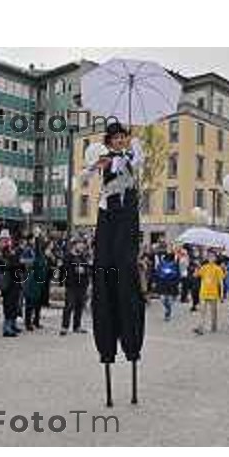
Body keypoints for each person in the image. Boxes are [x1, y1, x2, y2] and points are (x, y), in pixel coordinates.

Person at [90, 121, 145, 365]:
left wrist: (132, 155)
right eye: (116, 138)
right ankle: (107, 344)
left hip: (128, 217)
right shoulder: (108, 159)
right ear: (110, 141)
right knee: (108, 268)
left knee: (126, 267)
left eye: (123, 136)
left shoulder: (132, 156)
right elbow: (93, 171)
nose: (120, 140)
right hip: (110, 217)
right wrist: (109, 163)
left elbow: (135, 165)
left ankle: (131, 341)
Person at [60, 237, 90, 335]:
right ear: (75, 245)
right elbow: (64, 269)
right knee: (69, 305)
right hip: (71, 285)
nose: (82, 246)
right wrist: (75, 270)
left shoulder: (83, 257)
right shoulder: (68, 256)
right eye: (80, 244)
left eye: (82, 244)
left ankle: (77, 326)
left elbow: (88, 269)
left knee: (79, 306)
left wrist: (85, 270)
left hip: (82, 285)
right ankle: (64, 327)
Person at [193, 249, 225, 335]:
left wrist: (222, 294)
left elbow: (221, 283)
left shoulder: (218, 269)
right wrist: (197, 267)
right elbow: (195, 275)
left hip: (213, 294)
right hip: (203, 292)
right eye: (209, 256)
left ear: (215, 258)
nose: (210, 258)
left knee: (213, 311)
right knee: (202, 311)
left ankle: (214, 326)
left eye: (212, 256)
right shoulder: (204, 267)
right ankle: (200, 327)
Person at [155, 246, 180, 322]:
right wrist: (156, 282)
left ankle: (167, 313)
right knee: (162, 299)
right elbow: (157, 273)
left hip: (171, 283)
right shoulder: (161, 263)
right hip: (162, 283)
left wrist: (177, 283)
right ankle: (168, 309)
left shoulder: (175, 263)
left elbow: (178, 274)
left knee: (169, 299)